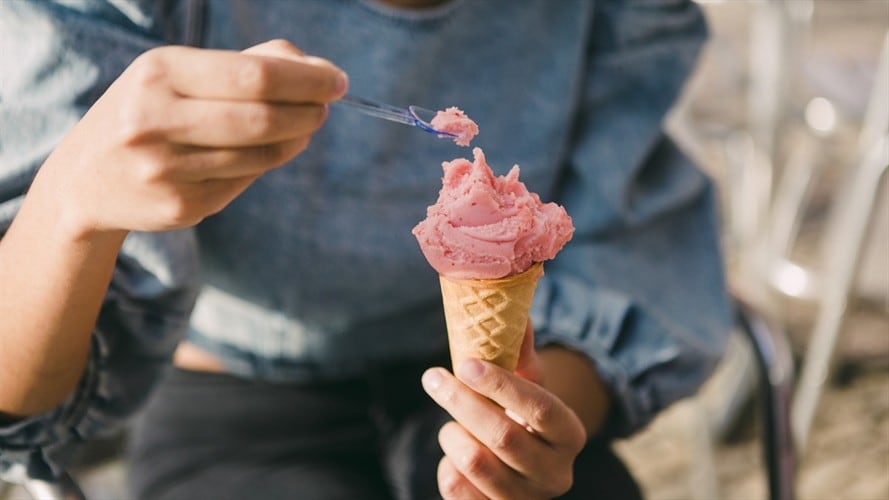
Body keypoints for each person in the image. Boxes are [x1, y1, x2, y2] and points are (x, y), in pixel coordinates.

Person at [0, 0, 734, 498]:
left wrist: (516, 440)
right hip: (229, 398)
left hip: (519, 385)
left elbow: (626, 250)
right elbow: (14, 401)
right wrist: (70, 204)